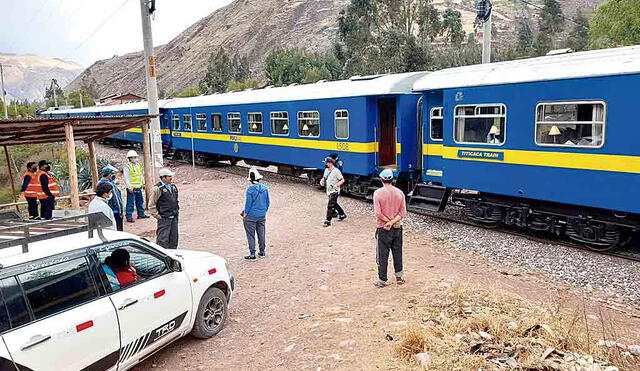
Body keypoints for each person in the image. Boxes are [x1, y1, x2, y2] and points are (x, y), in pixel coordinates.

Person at [372, 169, 407, 288]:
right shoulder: (400, 193)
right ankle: (399, 277)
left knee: (382, 254)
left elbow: (378, 214)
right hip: (398, 228)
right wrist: (393, 222)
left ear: (381, 180)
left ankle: (382, 280)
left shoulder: (377, 193)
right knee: (397, 252)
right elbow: (403, 212)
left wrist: (388, 222)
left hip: (383, 228)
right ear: (392, 180)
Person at [241, 167, 270, 261]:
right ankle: (262, 251)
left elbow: (248, 203)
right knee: (261, 233)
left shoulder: (250, 189)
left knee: (251, 235)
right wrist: (263, 212)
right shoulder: (265, 188)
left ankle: (252, 254)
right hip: (261, 216)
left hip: (250, 216)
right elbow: (268, 202)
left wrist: (245, 213)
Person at [149, 168, 180, 249]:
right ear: (163, 178)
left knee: (174, 239)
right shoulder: (157, 189)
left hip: (173, 217)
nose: (171, 178)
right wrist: (158, 216)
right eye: (169, 176)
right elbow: (151, 205)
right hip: (164, 218)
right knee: (162, 241)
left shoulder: (173, 187)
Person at [123, 150, 149, 223]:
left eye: (136, 157)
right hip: (132, 188)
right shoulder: (127, 166)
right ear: (130, 158)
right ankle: (129, 217)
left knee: (140, 201)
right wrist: (129, 187)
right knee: (130, 203)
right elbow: (126, 178)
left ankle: (141, 214)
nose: (135, 158)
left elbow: (140, 175)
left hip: (138, 187)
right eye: (134, 157)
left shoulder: (138, 165)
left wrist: (143, 183)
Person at [320, 157, 346, 227]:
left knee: (330, 205)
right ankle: (342, 214)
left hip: (334, 191)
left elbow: (342, 180)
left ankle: (328, 221)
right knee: (334, 203)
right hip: (328, 190)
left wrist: (337, 185)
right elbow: (325, 177)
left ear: (330, 163)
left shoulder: (336, 171)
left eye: (326, 163)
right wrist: (322, 180)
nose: (325, 164)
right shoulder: (326, 170)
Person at [98, 165, 124, 231]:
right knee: (118, 232)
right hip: (115, 211)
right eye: (113, 174)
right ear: (109, 175)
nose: (114, 175)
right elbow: (116, 199)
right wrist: (120, 211)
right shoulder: (109, 185)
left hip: (107, 212)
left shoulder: (100, 183)